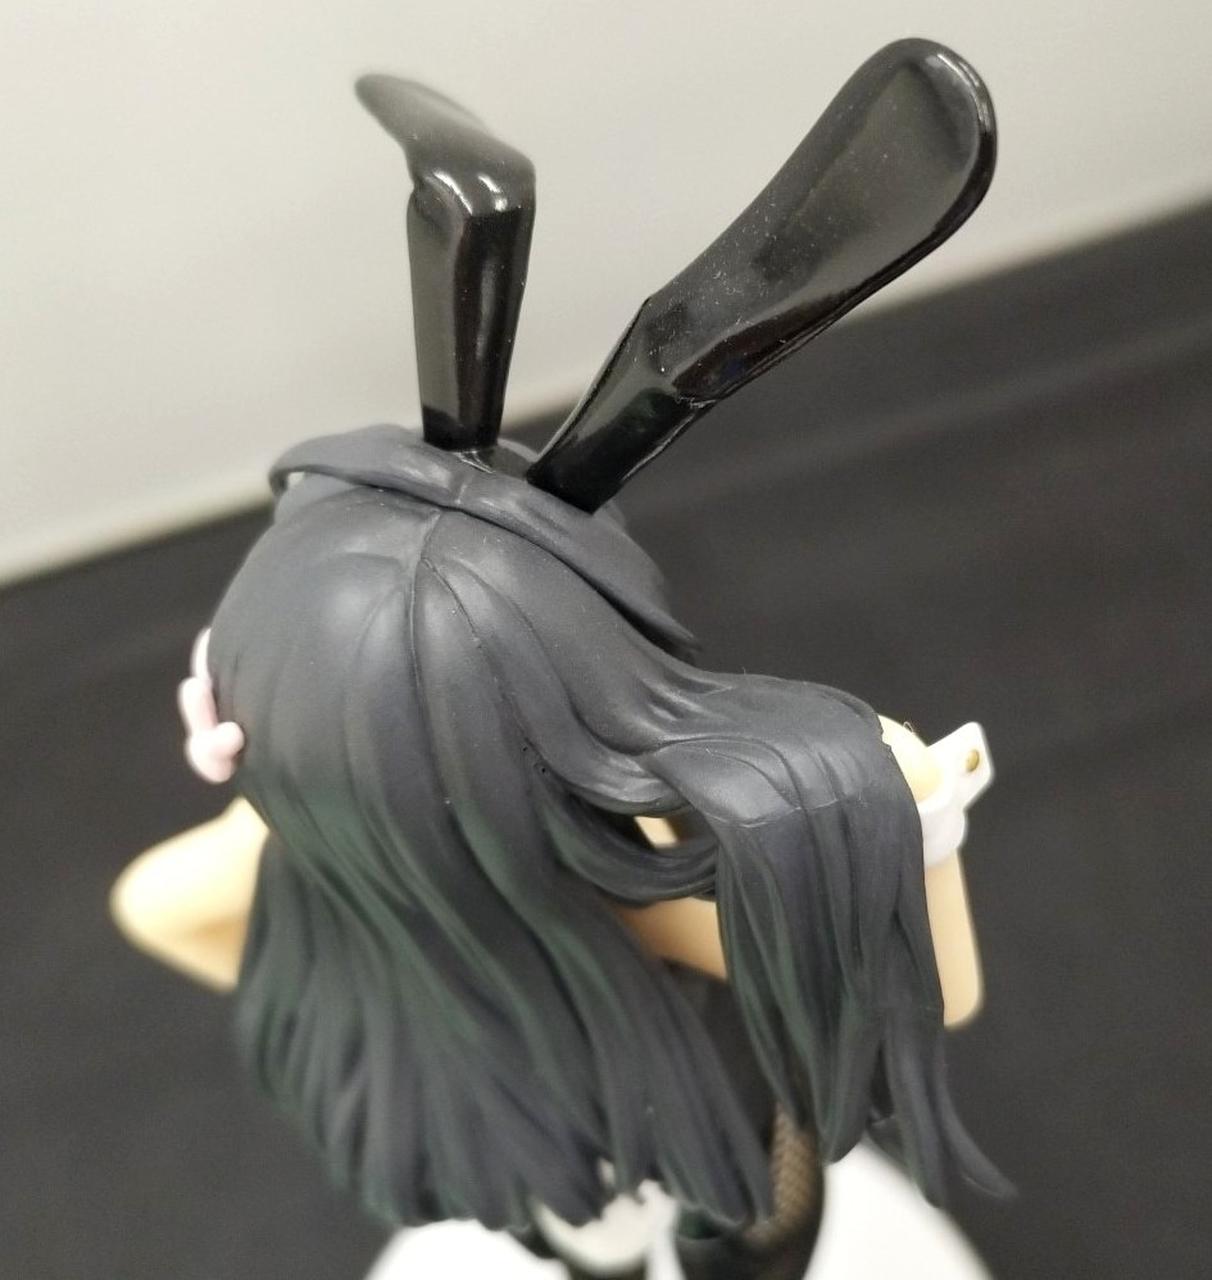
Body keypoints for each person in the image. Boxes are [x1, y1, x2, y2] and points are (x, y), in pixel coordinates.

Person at [113, 41, 1005, 1280]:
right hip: (703, 1151)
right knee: (747, 1224)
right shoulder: (654, 908)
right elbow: (933, 993)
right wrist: (914, 817)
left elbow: (156, 907)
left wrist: (358, 896)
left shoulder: (303, 871)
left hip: (525, 1159)